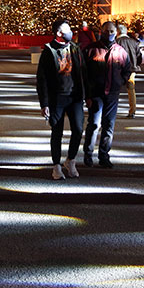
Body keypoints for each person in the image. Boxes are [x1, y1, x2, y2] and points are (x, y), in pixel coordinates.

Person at [37, 19, 88, 180]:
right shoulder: (49, 51)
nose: (71, 32)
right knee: (56, 132)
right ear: (59, 33)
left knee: (78, 129)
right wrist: (44, 103)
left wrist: (87, 94)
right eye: (67, 29)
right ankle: (56, 166)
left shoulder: (75, 48)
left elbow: (83, 72)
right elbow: (42, 79)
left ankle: (71, 160)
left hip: (75, 96)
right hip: (56, 97)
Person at [84, 21, 132, 168]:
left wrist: (120, 81)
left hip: (112, 93)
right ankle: (88, 154)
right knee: (94, 124)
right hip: (96, 93)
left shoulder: (120, 51)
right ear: (101, 31)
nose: (109, 34)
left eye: (112, 31)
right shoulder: (91, 49)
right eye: (106, 31)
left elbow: (127, 69)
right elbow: (84, 72)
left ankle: (104, 155)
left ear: (116, 32)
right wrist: (87, 95)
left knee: (109, 125)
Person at [116, 24, 143, 118]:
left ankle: (112, 109)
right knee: (131, 89)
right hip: (132, 68)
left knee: (115, 89)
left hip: (118, 68)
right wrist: (136, 65)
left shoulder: (116, 42)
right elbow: (139, 56)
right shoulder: (133, 42)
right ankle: (132, 111)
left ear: (117, 32)